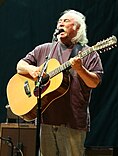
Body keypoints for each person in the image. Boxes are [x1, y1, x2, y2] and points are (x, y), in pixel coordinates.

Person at [16, 9, 104, 156]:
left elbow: (94, 82)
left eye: (66, 21)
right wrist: (32, 70)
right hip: (46, 120)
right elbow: (20, 66)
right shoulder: (44, 49)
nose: (61, 24)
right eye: (59, 22)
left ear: (78, 28)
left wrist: (80, 69)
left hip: (72, 122)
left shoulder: (88, 53)